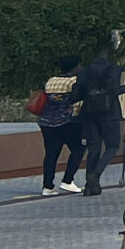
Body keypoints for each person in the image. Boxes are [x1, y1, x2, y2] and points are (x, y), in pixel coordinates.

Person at [76, 44, 125, 195]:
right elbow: (115, 91)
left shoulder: (84, 71)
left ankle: (90, 187)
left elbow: (78, 94)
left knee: (94, 148)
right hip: (109, 113)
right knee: (112, 146)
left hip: (89, 114)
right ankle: (96, 174)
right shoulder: (113, 69)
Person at [31, 58, 84, 194]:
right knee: (78, 149)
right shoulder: (75, 81)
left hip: (46, 122)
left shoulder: (51, 80)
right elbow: (77, 101)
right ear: (74, 67)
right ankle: (67, 180)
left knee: (51, 154)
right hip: (66, 122)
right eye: (79, 65)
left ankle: (47, 186)